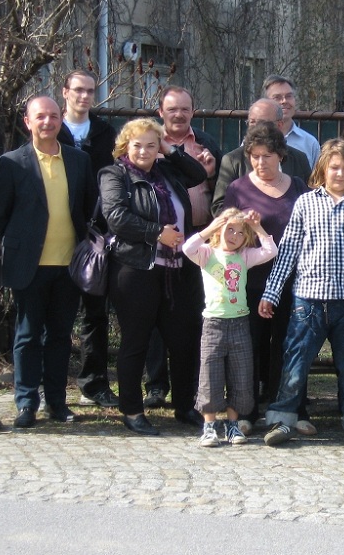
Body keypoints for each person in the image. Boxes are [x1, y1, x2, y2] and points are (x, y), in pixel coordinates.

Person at [259, 139, 344, 450]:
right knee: (295, 362)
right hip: (308, 301)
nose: (339, 173)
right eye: (334, 168)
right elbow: (288, 251)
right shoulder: (305, 203)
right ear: (323, 170)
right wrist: (272, 292)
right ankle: (282, 419)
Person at [99, 118, 208, 435]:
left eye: (150, 145)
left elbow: (198, 174)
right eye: (137, 145)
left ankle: (185, 407)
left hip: (177, 272)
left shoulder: (168, 172)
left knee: (184, 342)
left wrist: (168, 149)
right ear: (125, 146)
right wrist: (157, 233)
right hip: (136, 269)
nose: (144, 151)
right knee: (136, 342)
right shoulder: (114, 174)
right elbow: (116, 216)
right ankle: (132, 410)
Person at [0, 96, 96, 428]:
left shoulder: (79, 160)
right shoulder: (12, 163)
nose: (48, 122)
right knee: (27, 335)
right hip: (30, 265)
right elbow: (0, 216)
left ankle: (56, 402)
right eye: (41, 116)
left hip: (69, 264)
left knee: (61, 336)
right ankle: (26, 403)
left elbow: (88, 207)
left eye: (54, 116)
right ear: (28, 121)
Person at [220, 122, 313, 434]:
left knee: (289, 346)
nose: (261, 162)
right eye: (255, 156)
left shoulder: (300, 186)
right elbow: (224, 235)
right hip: (251, 282)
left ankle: (289, 409)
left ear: (281, 155)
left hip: (293, 281)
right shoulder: (238, 189)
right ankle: (245, 412)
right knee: (248, 348)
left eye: (268, 155)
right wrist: (245, 229)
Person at [144, 85, 220, 410]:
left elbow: (215, 184)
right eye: (171, 109)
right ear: (160, 111)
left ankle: (190, 388)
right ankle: (157, 385)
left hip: (201, 239)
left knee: (191, 317)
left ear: (193, 111)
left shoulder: (205, 143)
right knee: (157, 317)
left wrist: (212, 169)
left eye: (184, 109)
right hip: (162, 241)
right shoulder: (149, 143)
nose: (178, 114)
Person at [182, 208, 276, 447]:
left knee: (241, 376)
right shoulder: (206, 254)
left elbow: (270, 251)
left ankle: (233, 425)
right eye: (229, 229)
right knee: (210, 376)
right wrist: (210, 228)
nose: (233, 235)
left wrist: (257, 228)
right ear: (220, 229)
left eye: (240, 233)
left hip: (239, 324)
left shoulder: (243, 256)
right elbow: (187, 248)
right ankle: (209, 426)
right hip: (213, 324)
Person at [57, 69, 120, 409]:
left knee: (96, 312)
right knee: (55, 314)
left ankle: (93, 384)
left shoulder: (106, 132)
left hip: (98, 234)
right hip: (58, 230)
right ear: (65, 92)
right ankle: (46, 386)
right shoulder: (53, 128)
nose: (84, 96)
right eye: (78, 90)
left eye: (90, 91)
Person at [210, 98, 311, 216]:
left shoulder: (299, 159)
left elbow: (311, 204)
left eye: (262, 123)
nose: (256, 128)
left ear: (279, 125)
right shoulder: (233, 161)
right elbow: (219, 208)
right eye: (252, 122)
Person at [263, 75, 321, 167]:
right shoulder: (254, 141)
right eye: (277, 97)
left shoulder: (309, 143)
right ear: (265, 103)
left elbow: (317, 179)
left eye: (289, 96)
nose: (284, 101)